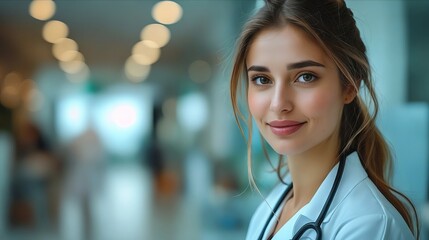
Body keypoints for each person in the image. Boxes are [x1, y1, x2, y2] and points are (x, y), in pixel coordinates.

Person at [229, 0, 419, 239]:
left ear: (349, 85)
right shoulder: (270, 209)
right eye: (262, 79)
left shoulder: (370, 226)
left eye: (305, 77)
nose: (278, 104)